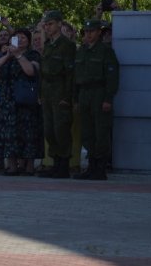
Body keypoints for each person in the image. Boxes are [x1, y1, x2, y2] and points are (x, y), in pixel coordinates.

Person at [74, 20, 120, 180]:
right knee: (87, 131)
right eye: (86, 32)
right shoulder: (81, 51)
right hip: (84, 93)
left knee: (101, 131)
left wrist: (108, 98)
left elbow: (112, 77)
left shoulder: (105, 51)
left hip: (99, 92)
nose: (88, 34)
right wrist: (77, 99)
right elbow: (76, 77)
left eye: (91, 31)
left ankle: (100, 168)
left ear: (98, 32)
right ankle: (91, 166)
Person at [0, 28, 42, 175]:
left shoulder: (32, 54)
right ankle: (12, 165)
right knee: (10, 133)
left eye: (23, 38)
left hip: (26, 100)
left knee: (28, 133)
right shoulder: (6, 55)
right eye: (16, 38)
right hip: (8, 100)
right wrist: (8, 55)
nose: (20, 40)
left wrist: (19, 55)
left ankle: (29, 166)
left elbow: (30, 71)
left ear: (29, 41)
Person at [38, 10, 76, 178]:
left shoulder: (67, 45)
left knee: (61, 129)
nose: (47, 27)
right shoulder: (48, 45)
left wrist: (67, 97)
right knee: (49, 129)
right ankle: (55, 162)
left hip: (60, 90)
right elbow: (43, 71)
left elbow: (70, 74)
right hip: (47, 91)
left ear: (59, 24)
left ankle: (63, 164)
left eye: (51, 24)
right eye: (46, 24)